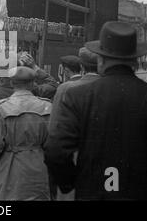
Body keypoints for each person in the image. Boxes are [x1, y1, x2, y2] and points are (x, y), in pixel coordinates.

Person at [44, 21, 147, 200]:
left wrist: (74, 182)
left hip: (95, 192)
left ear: (101, 60)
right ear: (135, 61)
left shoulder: (77, 96)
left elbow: (55, 151)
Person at [0, 66, 52, 200]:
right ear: (33, 83)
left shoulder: (1, 107)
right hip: (38, 163)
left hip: (9, 165)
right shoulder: (47, 107)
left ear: (11, 83)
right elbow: (52, 142)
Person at [48, 47, 100, 200]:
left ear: (82, 66)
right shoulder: (109, 86)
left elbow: (54, 131)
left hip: (75, 158)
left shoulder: (66, 88)